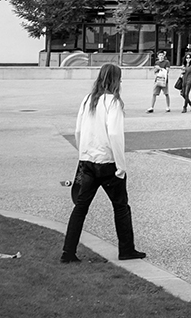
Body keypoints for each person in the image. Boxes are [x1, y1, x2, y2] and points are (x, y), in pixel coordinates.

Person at [61, 63, 146, 263]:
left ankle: (68, 251)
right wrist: (121, 165)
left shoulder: (88, 100)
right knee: (121, 207)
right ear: (116, 80)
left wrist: (83, 154)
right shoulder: (113, 102)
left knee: (80, 207)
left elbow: (78, 131)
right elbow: (115, 134)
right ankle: (126, 249)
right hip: (107, 163)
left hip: (87, 161)